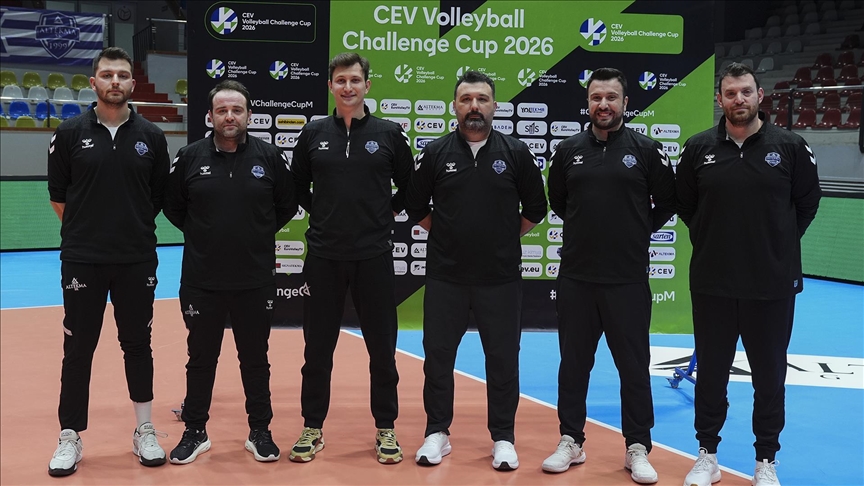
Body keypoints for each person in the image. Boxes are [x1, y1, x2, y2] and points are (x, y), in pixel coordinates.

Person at [677, 62, 820, 486]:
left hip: (772, 286)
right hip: (713, 283)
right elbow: (686, 206)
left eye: (745, 91)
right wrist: (713, 239)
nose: (738, 99)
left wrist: (776, 243)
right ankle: (707, 455)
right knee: (711, 374)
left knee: (770, 376)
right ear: (719, 100)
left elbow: (807, 203)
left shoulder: (791, 146)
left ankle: (766, 460)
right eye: (730, 93)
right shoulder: (697, 148)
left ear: (760, 95)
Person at [404, 70, 547, 471]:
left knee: (502, 360)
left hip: (499, 278)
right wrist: (447, 234)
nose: (474, 107)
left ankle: (503, 438)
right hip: (446, 275)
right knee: (437, 358)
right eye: (466, 99)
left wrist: (501, 237)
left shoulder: (516, 153)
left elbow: (536, 209)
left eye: (482, 99)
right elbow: (415, 205)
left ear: (494, 106)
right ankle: (437, 432)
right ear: (455, 106)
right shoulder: (435, 153)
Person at [542, 67, 676, 484]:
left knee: (633, 368)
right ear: (588, 102)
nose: (604, 104)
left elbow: (667, 201)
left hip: (627, 279)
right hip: (577, 277)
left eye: (611, 97)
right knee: (573, 366)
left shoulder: (648, 150)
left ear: (625, 103)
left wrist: (634, 230)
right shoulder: (567, 151)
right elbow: (559, 201)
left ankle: (637, 447)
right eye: (596, 97)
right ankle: (571, 440)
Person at [46, 46, 170, 476]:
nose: (114, 81)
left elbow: (156, 198)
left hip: (137, 259)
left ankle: (145, 430)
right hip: (83, 260)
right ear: (93, 82)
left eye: (121, 75)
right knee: (78, 347)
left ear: (132, 83)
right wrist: (88, 233)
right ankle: (69, 436)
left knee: (137, 344)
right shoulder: (68, 133)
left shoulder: (152, 137)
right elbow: (58, 196)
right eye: (106, 74)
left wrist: (127, 228)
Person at [163, 80, 297, 465]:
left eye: (237, 110)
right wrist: (205, 235)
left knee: (255, 359)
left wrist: (255, 233)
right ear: (210, 116)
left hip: (254, 280)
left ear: (249, 115)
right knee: (200, 359)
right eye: (222, 110)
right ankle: (195, 431)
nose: (229, 117)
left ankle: (260, 431)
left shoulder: (270, 157)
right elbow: (173, 206)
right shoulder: (189, 157)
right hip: (202, 280)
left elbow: (286, 205)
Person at [288, 52, 412, 465]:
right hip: (324, 256)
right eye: (340, 80)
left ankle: (386, 428)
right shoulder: (313, 133)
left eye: (355, 80)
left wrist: (383, 214)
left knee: (383, 349)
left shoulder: (388, 133)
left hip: (373, 256)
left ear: (366, 86)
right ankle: (312, 427)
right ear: (330, 86)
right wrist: (322, 214)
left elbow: (410, 187)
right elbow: (296, 186)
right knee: (316, 350)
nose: (348, 87)